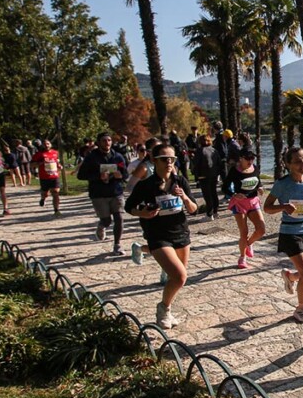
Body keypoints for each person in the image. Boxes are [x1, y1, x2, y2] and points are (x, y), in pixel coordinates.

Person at [125, 143, 198, 329]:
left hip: (181, 233)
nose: (169, 162)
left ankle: (167, 308)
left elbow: (194, 209)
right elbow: (129, 206)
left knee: (177, 279)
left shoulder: (180, 181)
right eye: (164, 159)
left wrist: (185, 198)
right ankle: (163, 309)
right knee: (180, 276)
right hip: (157, 235)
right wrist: (143, 213)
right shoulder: (146, 185)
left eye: (172, 159)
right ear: (153, 160)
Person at [265, 147, 303, 324]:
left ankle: (290, 276)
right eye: (298, 161)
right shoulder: (282, 184)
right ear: (288, 165)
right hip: (290, 233)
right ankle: (301, 309)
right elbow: (267, 207)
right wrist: (283, 207)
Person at [77, 132, 128, 256]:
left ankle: (117, 245)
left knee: (119, 218)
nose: (107, 143)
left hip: (116, 192)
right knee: (107, 221)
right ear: (98, 142)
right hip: (99, 193)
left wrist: (120, 176)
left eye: (109, 140)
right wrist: (98, 176)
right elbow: (81, 175)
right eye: (104, 140)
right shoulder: (91, 158)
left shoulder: (118, 157)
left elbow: (125, 174)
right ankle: (102, 225)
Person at [223, 148, 265, 268]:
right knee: (244, 232)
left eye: (252, 158)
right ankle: (242, 257)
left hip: (253, 201)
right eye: (248, 159)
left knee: (261, 230)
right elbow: (225, 187)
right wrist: (234, 195)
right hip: (239, 203)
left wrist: (260, 187)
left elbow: (258, 181)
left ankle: (249, 244)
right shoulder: (234, 171)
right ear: (241, 158)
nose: (251, 161)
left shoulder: (255, 168)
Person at [31, 139, 63, 216]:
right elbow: (31, 165)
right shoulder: (39, 154)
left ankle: (56, 210)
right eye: (45, 144)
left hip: (54, 176)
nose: (46, 145)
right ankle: (43, 198)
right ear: (42, 145)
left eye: (48, 144)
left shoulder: (55, 152)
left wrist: (59, 165)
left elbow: (56, 161)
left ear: (50, 144)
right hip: (44, 177)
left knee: (55, 192)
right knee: (45, 193)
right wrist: (40, 163)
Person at [192, 134, 220, 219]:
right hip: (214, 174)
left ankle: (209, 214)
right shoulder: (214, 150)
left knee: (207, 195)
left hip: (203, 175)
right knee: (214, 193)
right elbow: (219, 163)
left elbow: (196, 164)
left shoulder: (200, 151)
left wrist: (196, 176)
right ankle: (215, 212)